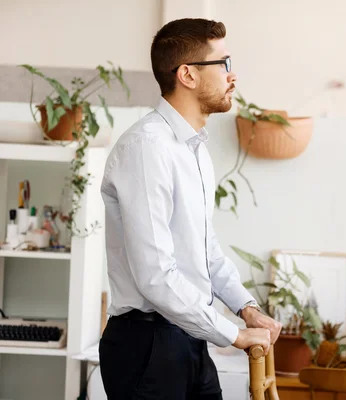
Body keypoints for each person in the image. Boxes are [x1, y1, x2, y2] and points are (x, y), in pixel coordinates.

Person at [98, 18, 282, 400]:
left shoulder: (193, 149)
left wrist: (245, 307)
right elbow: (155, 276)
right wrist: (232, 334)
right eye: (224, 64)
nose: (233, 77)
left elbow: (204, 249)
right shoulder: (147, 149)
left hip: (188, 337)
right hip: (148, 345)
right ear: (187, 75)